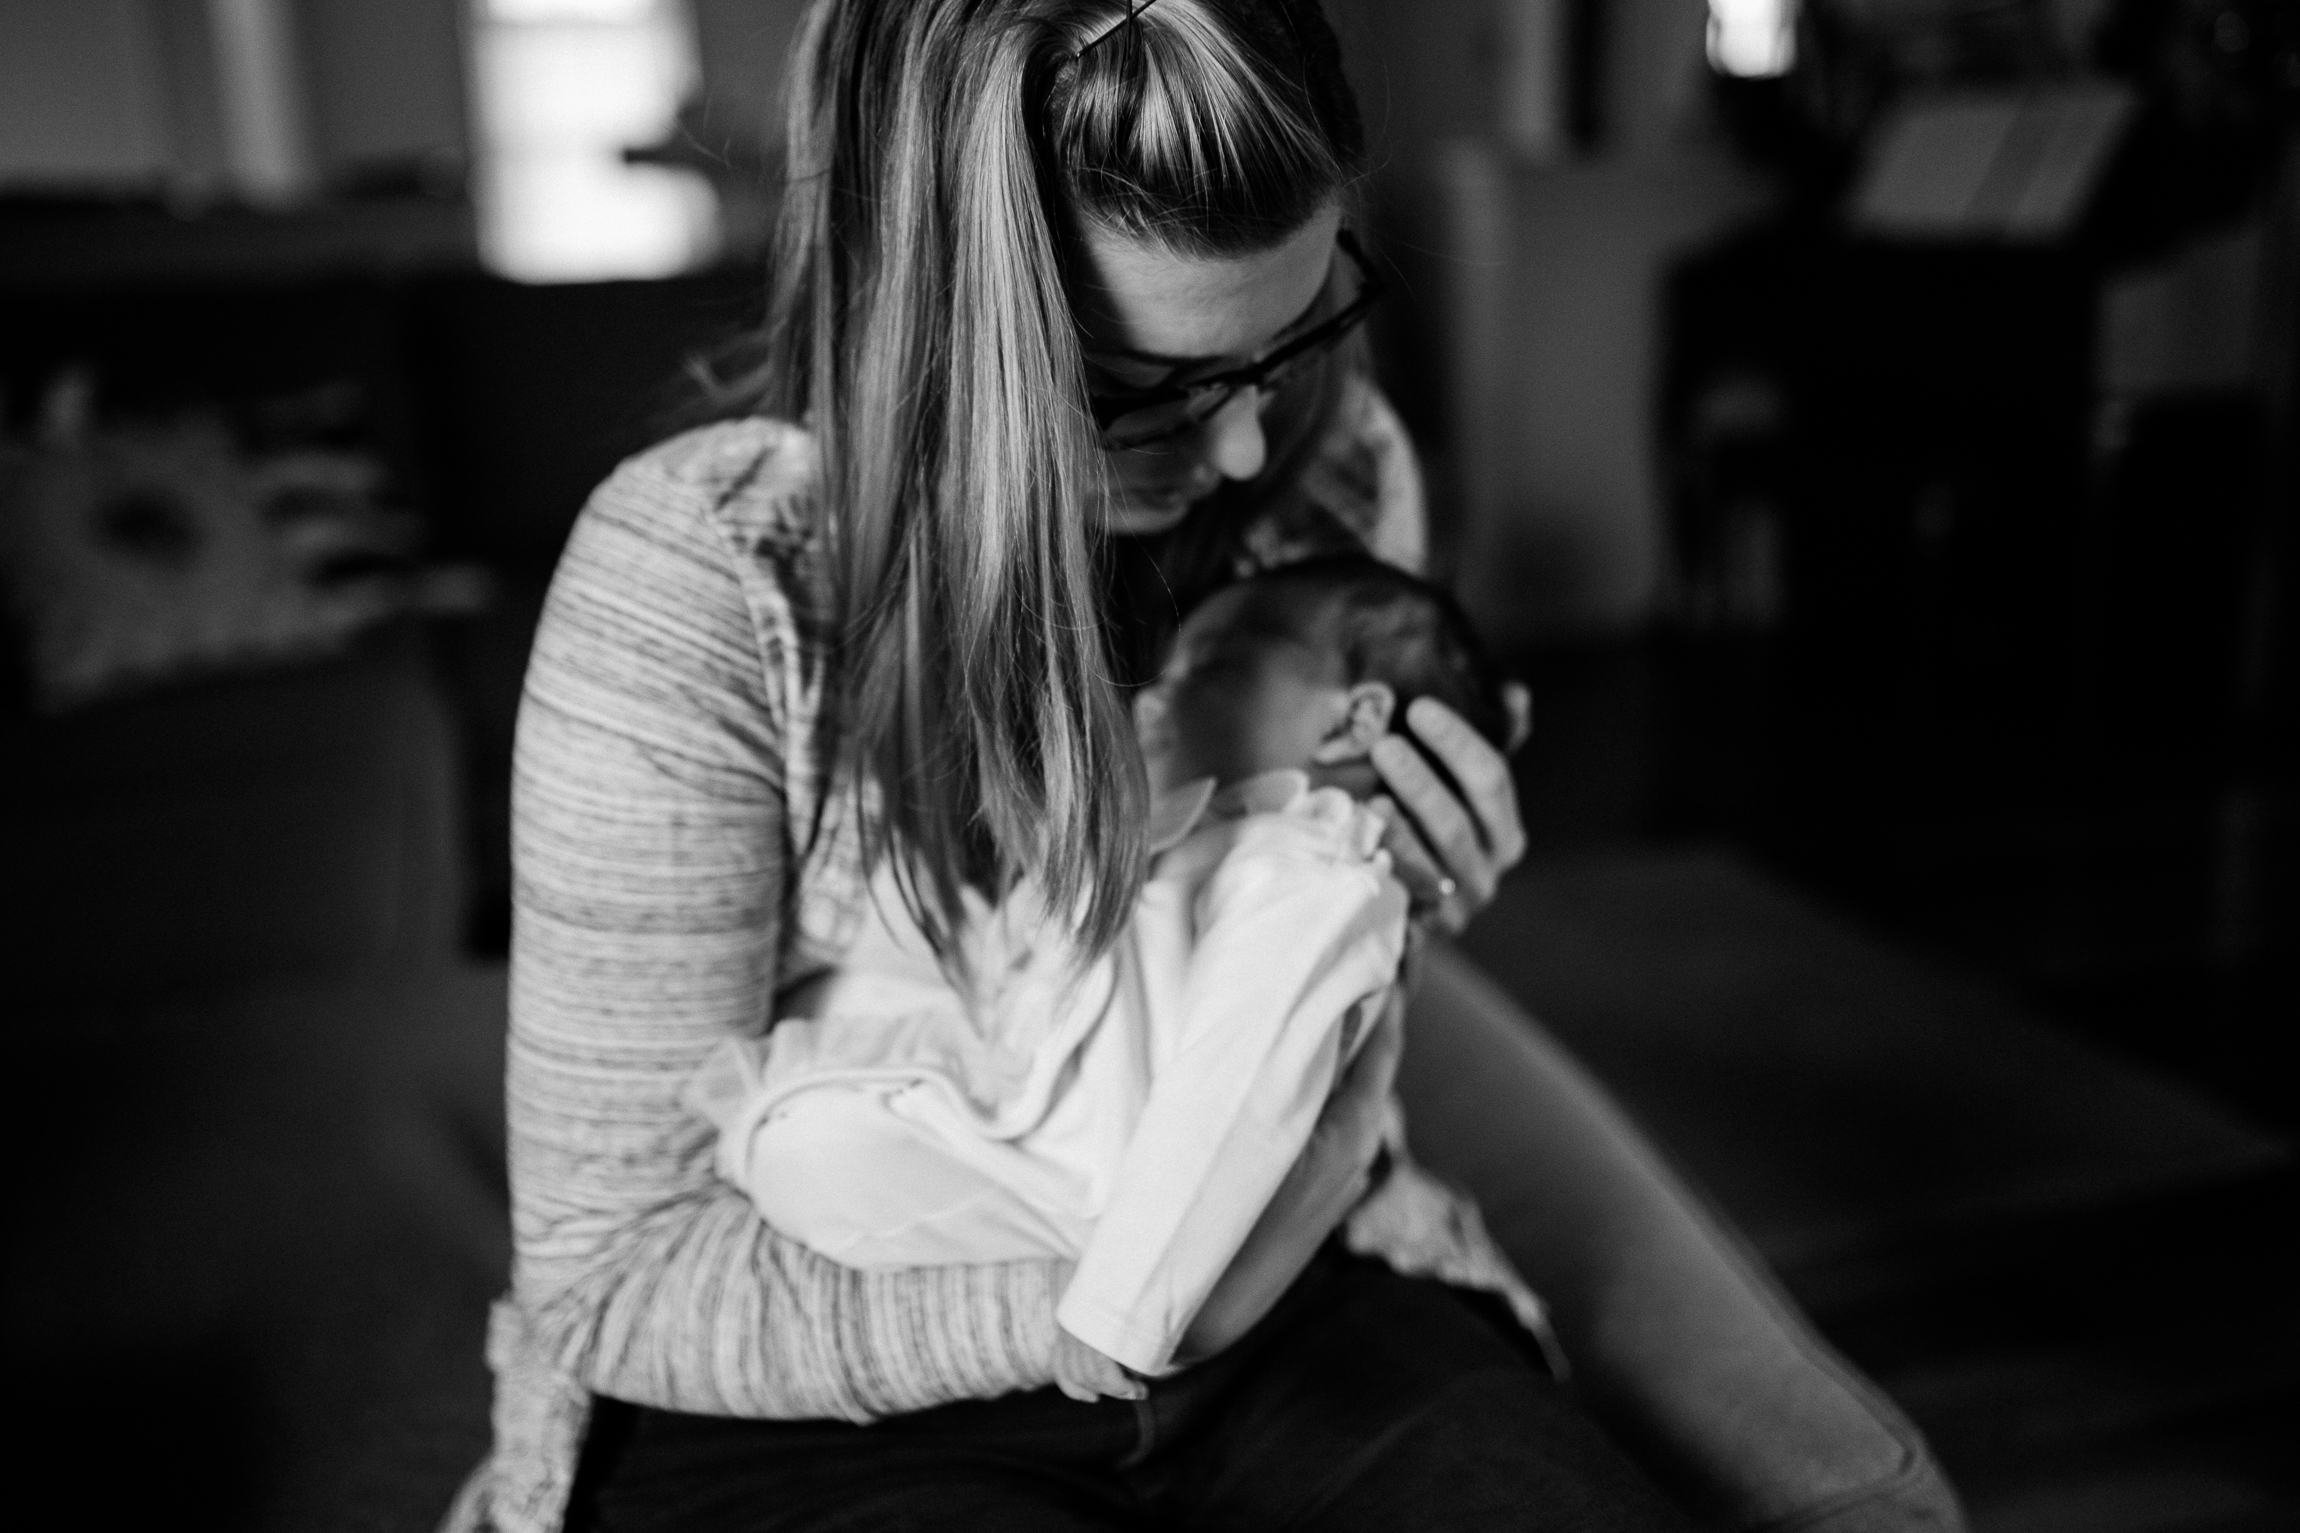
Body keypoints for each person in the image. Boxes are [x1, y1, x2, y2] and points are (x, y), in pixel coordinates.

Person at [447, 3, 1690, 1529]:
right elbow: (619, 1274)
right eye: (1146, 392)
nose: (1243, 454)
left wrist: (1396, 893)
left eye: (1288, 339)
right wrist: (1128, 1313)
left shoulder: (1338, 468)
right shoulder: (702, 582)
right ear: (935, 325)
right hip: (832, 1373)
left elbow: (1262, 1030)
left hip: (1298, 1297)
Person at [685, 557, 1550, 1405]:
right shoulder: (1205, 835)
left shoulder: (1315, 880)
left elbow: (1234, 1091)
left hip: (1116, 1196)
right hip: (1050, 1112)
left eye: (1210, 668)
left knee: (806, 1151)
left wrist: (1120, 1320)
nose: (1153, 697)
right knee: (822, 1063)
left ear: (1353, 722)